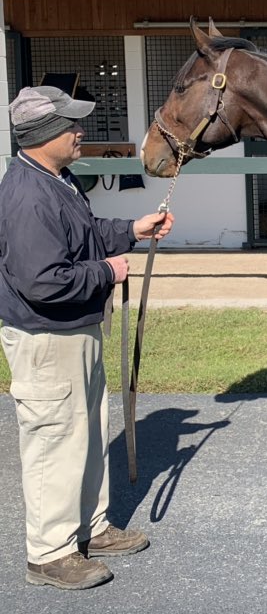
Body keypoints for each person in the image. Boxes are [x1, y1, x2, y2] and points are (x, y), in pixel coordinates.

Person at [0, 85, 175, 590]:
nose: (81, 132)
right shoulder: (28, 198)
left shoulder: (56, 179)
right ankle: (50, 554)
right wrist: (107, 272)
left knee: (88, 434)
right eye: (71, 125)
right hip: (46, 339)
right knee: (55, 440)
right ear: (43, 134)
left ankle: (89, 528)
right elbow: (42, 282)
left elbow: (87, 234)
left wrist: (135, 229)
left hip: (74, 331)